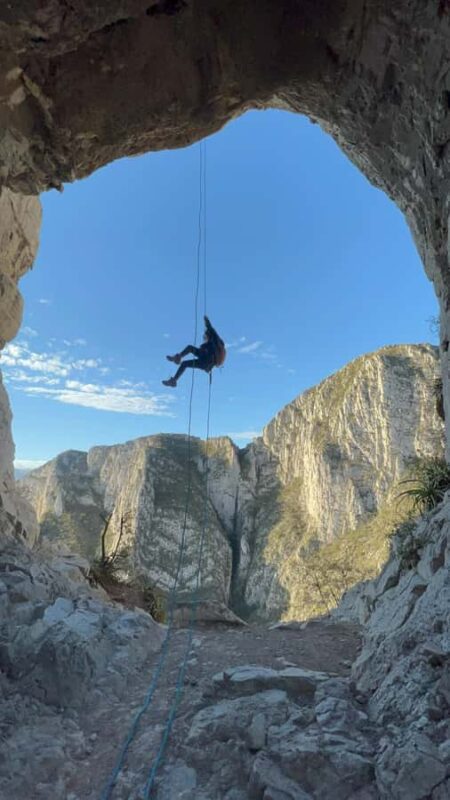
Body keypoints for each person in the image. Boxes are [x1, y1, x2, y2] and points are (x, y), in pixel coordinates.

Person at [162, 316, 226, 387]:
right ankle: (175, 374)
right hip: (205, 358)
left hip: (206, 361)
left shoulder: (215, 340)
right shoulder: (212, 344)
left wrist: (206, 321)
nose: (204, 338)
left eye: (205, 336)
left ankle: (175, 370)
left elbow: (211, 329)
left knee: (187, 356)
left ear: (208, 335)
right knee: (188, 353)